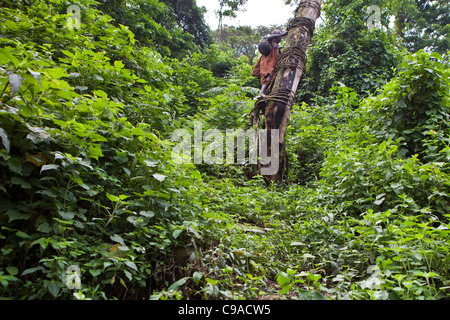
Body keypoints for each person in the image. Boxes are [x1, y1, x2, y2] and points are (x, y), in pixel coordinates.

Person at [252, 30, 288, 98]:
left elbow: (278, 54)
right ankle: (261, 93)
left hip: (272, 63)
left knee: (271, 76)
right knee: (267, 76)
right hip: (268, 63)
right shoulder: (270, 41)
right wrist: (283, 34)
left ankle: (266, 93)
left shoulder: (275, 45)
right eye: (278, 37)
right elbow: (271, 37)